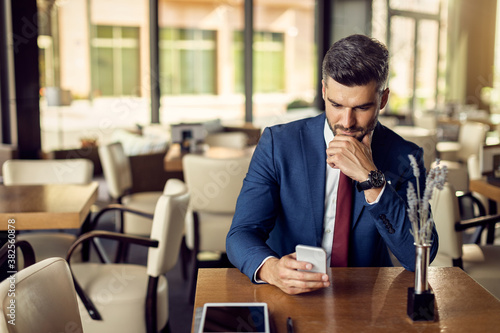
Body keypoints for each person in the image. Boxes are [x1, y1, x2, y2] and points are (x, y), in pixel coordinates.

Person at [226, 34, 439, 295]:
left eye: (361, 107)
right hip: (289, 295)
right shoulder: (278, 144)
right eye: (336, 104)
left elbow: (419, 257)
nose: (347, 122)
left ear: (382, 100)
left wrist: (371, 177)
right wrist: (271, 269)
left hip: (366, 300)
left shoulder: (405, 158)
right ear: (324, 91)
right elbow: (241, 233)